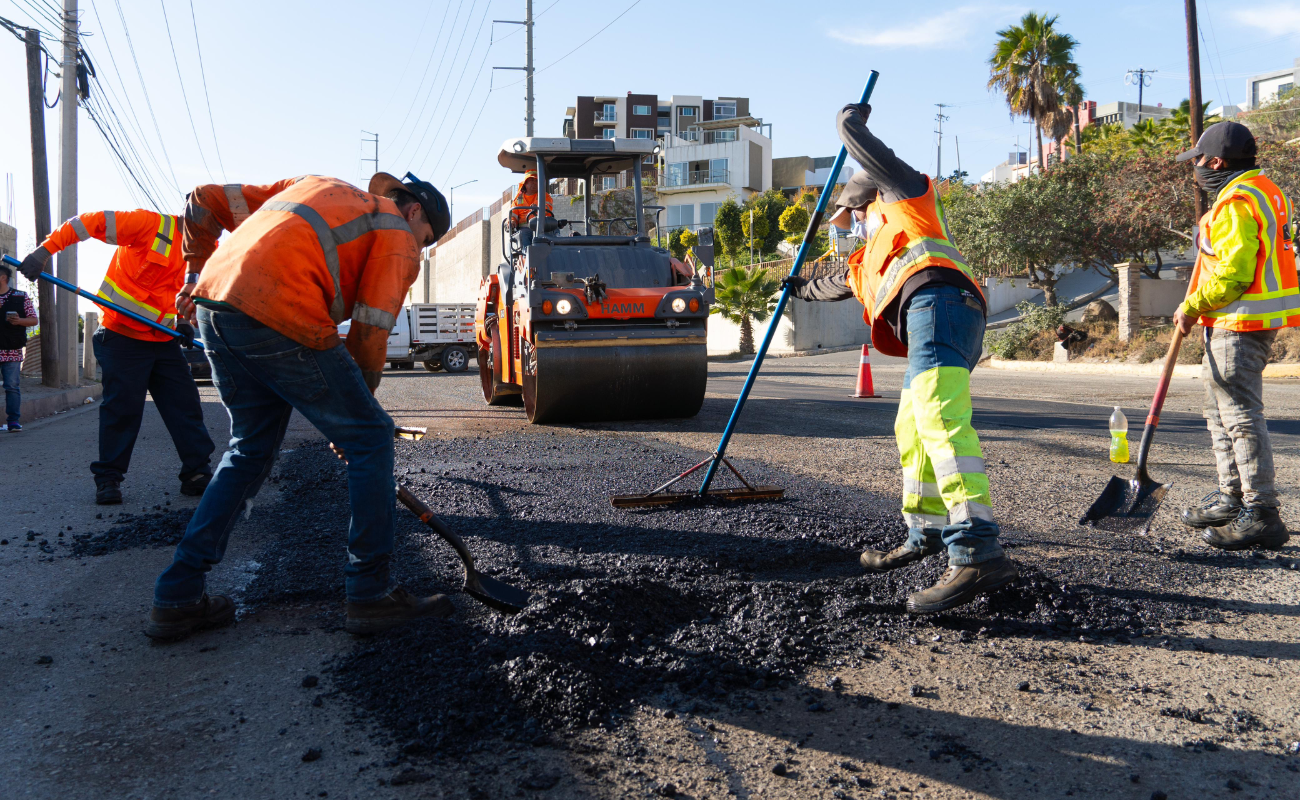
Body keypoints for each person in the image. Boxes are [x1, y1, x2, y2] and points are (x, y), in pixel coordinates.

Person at [147, 171, 451, 641]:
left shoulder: (313, 185)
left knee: (248, 449)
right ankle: (369, 594)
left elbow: (203, 199)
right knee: (371, 438)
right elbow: (370, 335)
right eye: (426, 238)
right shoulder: (398, 234)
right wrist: (353, 422)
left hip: (214, 303)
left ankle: (178, 595)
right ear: (414, 211)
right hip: (280, 307)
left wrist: (192, 275)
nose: (420, 246)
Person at [782, 103, 1016, 613]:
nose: (854, 226)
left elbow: (869, 150)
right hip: (932, 320)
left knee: (940, 422)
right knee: (911, 426)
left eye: (855, 215)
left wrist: (847, 124)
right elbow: (831, 285)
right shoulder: (866, 259)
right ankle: (925, 531)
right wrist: (796, 288)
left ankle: (977, 549)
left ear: (868, 200)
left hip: (945, 306)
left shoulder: (907, 196)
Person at [19, 208, 216, 504]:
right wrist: (45, 251)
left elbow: (184, 290)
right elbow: (87, 222)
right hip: (121, 337)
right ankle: (109, 479)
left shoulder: (207, 251)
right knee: (122, 410)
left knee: (186, 406)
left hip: (163, 340)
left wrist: (184, 321)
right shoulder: (149, 225)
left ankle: (197, 474)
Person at [1174, 121, 1296, 551]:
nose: (1197, 170)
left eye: (1199, 162)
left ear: (1217, 161)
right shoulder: (1266, 191)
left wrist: (1190, 306)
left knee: (1240, 417)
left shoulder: (1237, 202)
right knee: (1219, 413)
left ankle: (1261, 513)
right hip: (1233, 323)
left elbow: (1234, 275)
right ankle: (1233, 497)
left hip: (1237, 323)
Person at [0, 262, 38, 432]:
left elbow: (33, 319)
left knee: (12, 386)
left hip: (12, 350)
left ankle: (13, 421)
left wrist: (19, 321)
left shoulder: (20, 297)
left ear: (3, 278)